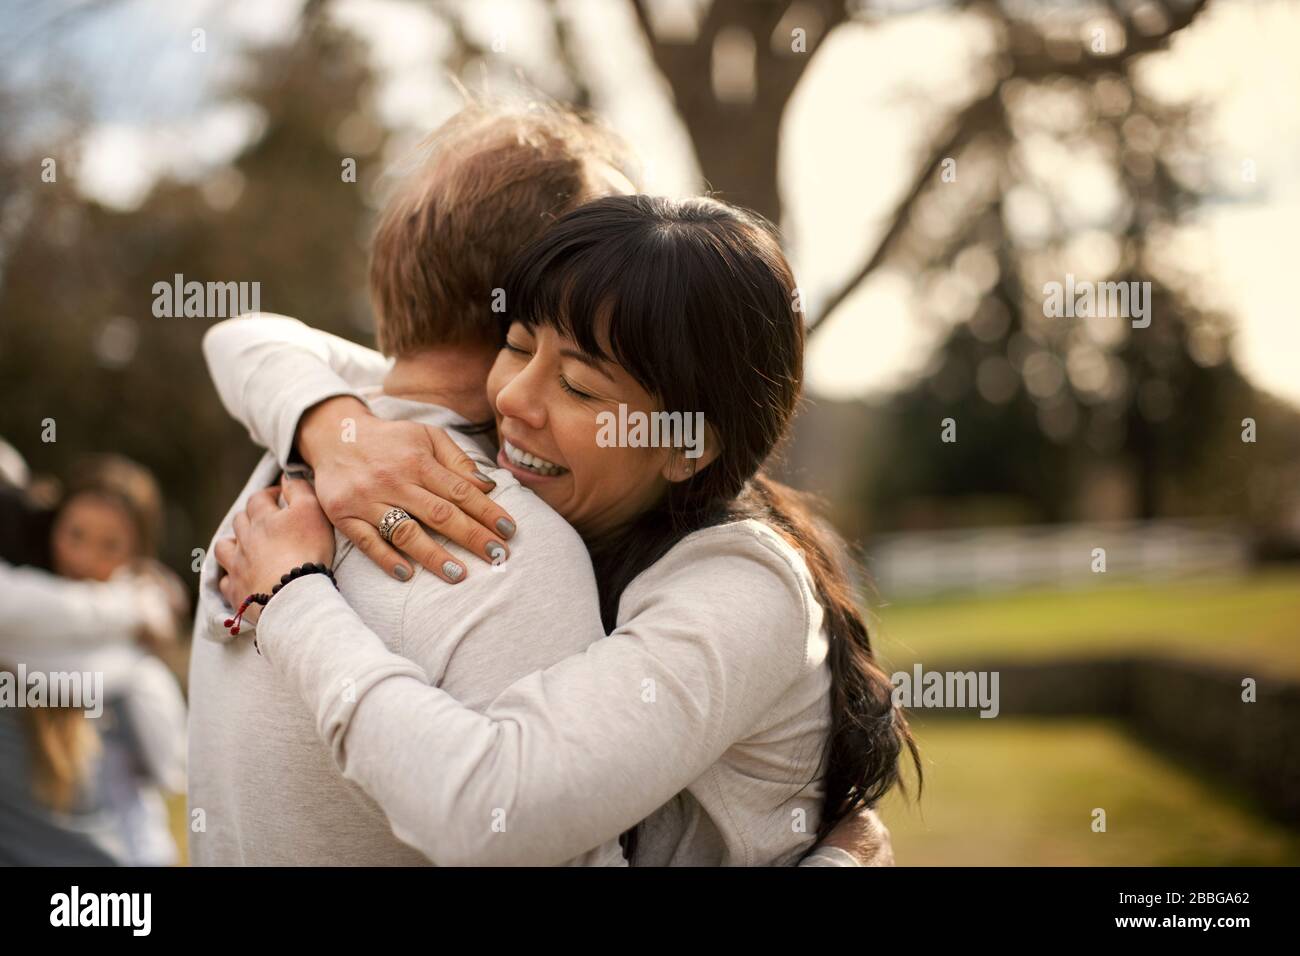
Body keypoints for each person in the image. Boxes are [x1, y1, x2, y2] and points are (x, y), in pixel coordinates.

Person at [210, 193, 917, 866]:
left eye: (580, 387)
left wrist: (294, 596)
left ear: (685, 446)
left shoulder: (744, 589)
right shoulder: (561, 471)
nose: (516, 398)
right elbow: (246, 339)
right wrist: (340, 435)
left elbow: (489, 814)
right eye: (517, 345)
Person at [0, 454, 187, 865]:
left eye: (110, 545)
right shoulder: (129, 632)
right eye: (75, 534)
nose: (84, 559)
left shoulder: (139, 678)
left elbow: (163, 779)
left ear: (137, 554)